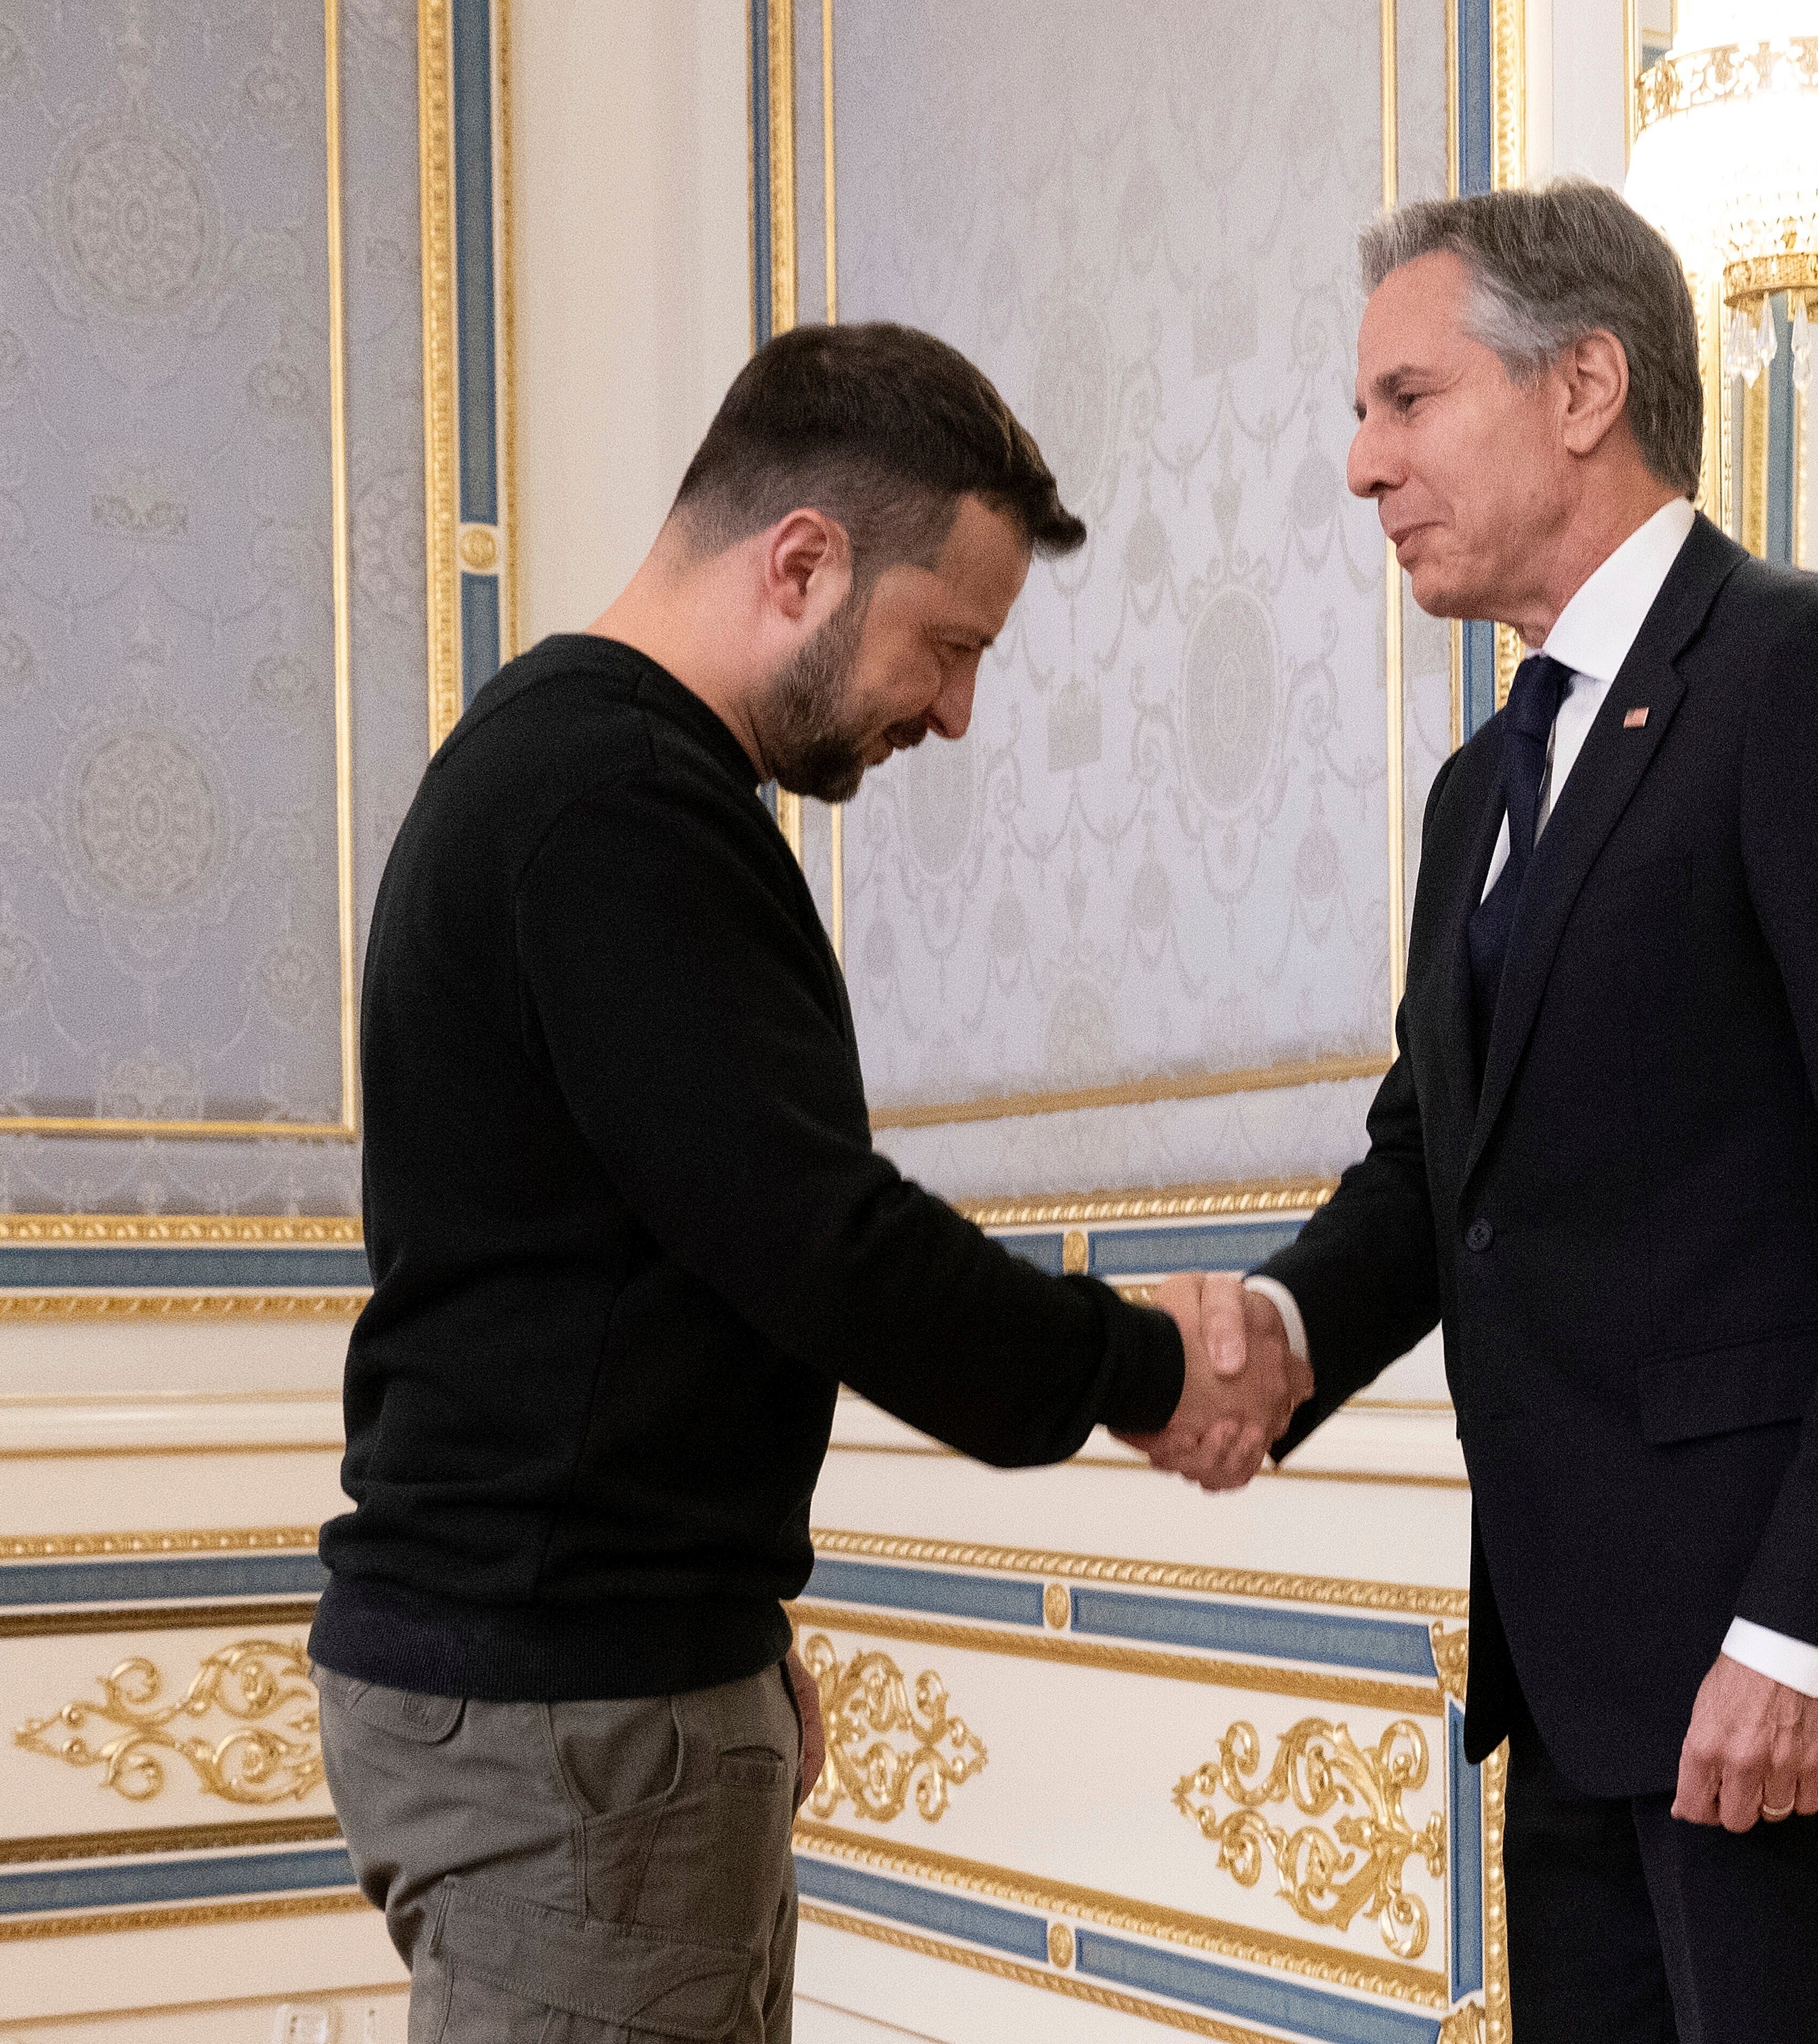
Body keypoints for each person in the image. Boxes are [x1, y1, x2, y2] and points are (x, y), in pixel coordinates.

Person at [311, 321, 1310, 2044]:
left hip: (599, 1681)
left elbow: (647, 1270)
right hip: (575, 1720)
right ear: (803, 562)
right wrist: (1146, 1368)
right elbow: (812, 1236)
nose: (957, 708)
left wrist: (724, 1629)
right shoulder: (611, 803)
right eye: (948, 645)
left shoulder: (590, 776)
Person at [1151, 182, 1818, 2042]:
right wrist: (1282, 1334)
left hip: (1779, 1655)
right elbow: (1439, 1163)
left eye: (1406, 402)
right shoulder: (1485, 784)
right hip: (1573, 1657)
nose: (1359, 464)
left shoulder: (1814, 677)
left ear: (1583, 386)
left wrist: (1807, 1633)